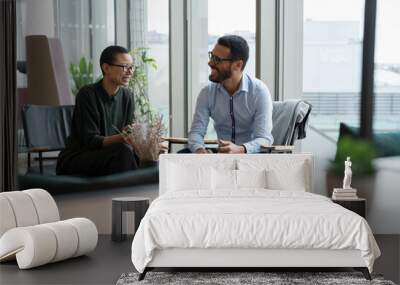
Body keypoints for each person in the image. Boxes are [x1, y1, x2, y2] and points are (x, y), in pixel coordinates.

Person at [56, 45, 138, 176]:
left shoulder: (127, 96)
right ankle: (129, 194)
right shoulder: (87, 94)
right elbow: (91, 141)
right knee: (123, 152)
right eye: (124, 67)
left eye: (131, 67)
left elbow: (128, 131)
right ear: (106, 68)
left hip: (112, 154)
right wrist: (123, 138)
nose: (130, 72)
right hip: (79, 157)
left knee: (138, 154)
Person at [187, 35, 273, 154]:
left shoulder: (259, 92)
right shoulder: (207, 93)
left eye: (217, 59)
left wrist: (240, 149)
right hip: (220, 158)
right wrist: (200, 150)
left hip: (251, 160)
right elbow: (196, 132)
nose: (210, 62)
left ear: (238, 65)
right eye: (212, 56)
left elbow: (265, 139)